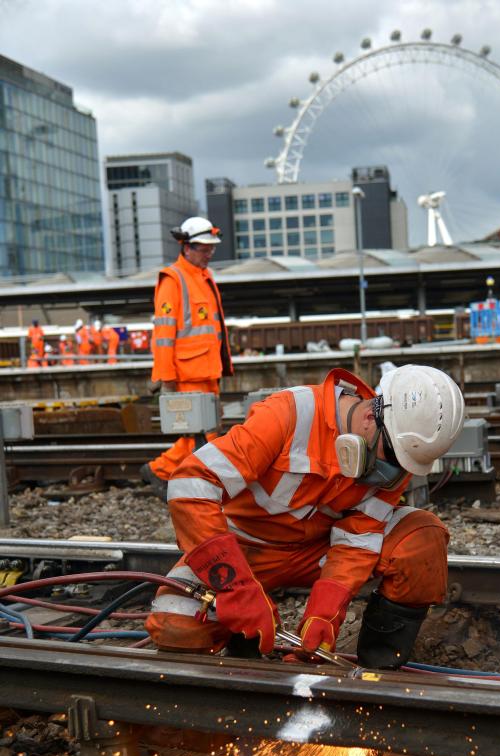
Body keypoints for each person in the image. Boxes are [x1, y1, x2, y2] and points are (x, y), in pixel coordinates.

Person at [145, 364, 465, 669]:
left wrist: (325, 615)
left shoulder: (394, 459)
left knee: (421, 537)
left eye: (402, 465)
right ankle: (241, 646)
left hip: (315, 554)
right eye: (392, 457)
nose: (392, 473)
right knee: (177, 622)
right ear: (371, 416)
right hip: (246, 551)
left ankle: (379, 668)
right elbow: (191, 483)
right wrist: (236, 586)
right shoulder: (290, 414)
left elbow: (358, 540)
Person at [141, 216, 233, 499]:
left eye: (211, 249)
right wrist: (165, 375)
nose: (209, 254)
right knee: (197, 434)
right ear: (187, 247)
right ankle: (160, 471)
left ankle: (172, 475)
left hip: (207, 370)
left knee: (208, 432)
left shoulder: (204, 278)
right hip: (187, 372)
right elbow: (164, 334)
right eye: (204, 249)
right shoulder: (173, 279)